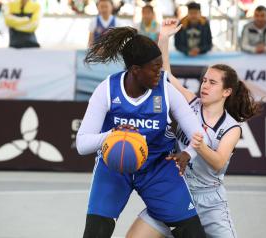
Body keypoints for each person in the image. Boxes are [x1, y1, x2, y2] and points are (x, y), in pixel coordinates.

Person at [126, 19, 262, 238]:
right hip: (176, 192)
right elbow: (166, 75)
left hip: (210, 202)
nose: (205, 85)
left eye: (212, 83)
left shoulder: (231, 128)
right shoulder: (190, 103)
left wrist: (198, 145)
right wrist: (164, 37)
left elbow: (218, 163)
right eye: (204, 80)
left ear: (227, 92)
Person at [77, 25, 210, 238]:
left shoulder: (166, 91)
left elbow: (197, 133)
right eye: (155, 68)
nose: (160, 72)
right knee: (95, 233)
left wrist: (188, 153)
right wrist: (114, 135)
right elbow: (82, 144)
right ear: (136, 70)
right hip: (114, 166)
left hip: (158, 167)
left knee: (193, 234)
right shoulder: (107, 89)